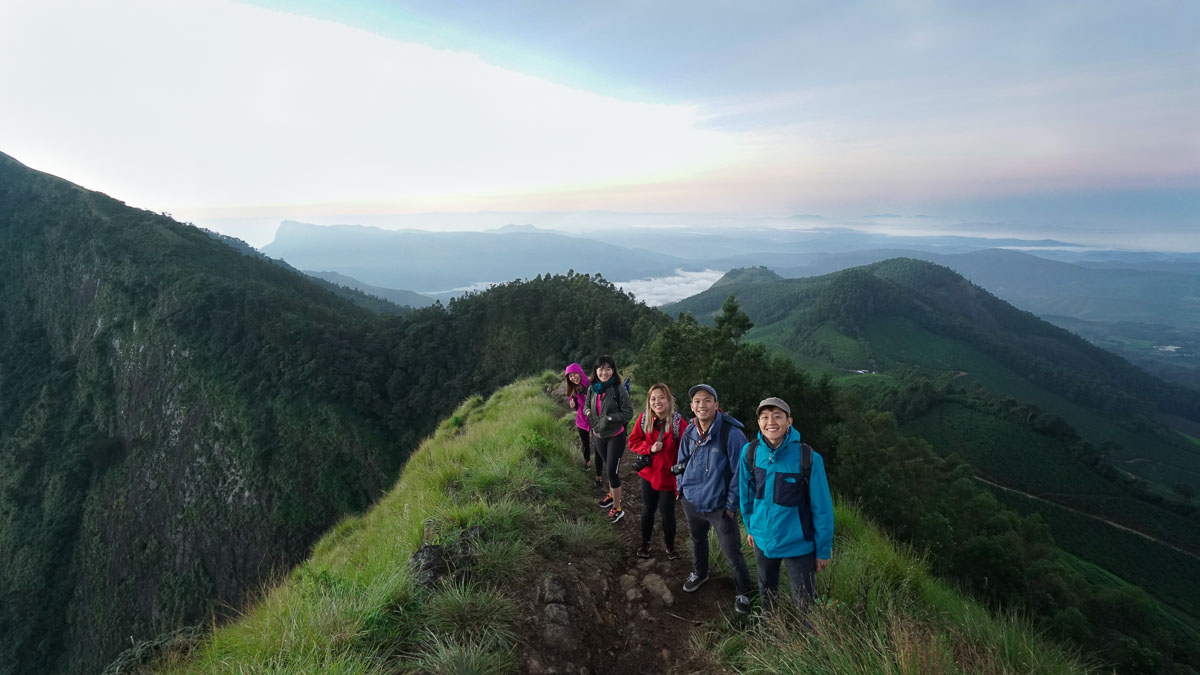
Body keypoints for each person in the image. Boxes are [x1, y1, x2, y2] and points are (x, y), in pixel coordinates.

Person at [739, 397, 834, 614]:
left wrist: (823, 550)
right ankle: (771, 631)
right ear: (759, 423)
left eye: (777, 416)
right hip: (762, 540)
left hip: (798, 544)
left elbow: (822, 509)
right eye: (764, 417)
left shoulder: (808, 458)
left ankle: (807, 644)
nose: (770, 422)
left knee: (805, 602)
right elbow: (746, 495)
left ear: (789, 421)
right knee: (766, 591)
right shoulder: (750, 453)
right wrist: (751, 527)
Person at [675, 384, 753, 614]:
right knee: (697, 540)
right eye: (697, 401)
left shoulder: (731, 433)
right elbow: (681, 461)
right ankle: (701, 573)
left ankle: (743, 593)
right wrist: (681, 489)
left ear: (716, 405)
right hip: (692, 500)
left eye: (707, 400)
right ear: (692, 407)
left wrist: (730, 506)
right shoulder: (690, 431)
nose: (702, 405)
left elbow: (741, 473)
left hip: (720, 507)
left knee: (733, 552)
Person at [627, 383, 688, 559]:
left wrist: (681, 481)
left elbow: (687, 452)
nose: (657, 402)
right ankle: (645, 544)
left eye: (661, 398)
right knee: (648, 509)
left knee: (667, 513)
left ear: (669, 400)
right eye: (653, 399)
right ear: (649, 402)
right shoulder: (644, 419)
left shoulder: (678, 423)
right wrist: (649, 448)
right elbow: (633, 442)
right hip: (649, 474)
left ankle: (670, 547)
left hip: (668, 477)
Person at [585, 355, 634, 524]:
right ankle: (612, 494)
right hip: (598, 435)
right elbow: (585, 406)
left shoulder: (618, 389)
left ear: (613, 370)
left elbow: (628, 413)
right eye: (600, 369)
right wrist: (589, 414)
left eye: (608, 368)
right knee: (609, 468)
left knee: (612, 472)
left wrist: (610, 419)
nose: (604, 372)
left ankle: (618, 507)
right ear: (595, 371)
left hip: (615, 436)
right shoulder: (592, 388)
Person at [564, 363, 598, 483]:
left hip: (594, 418)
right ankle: (587, 462)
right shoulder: (572, 389)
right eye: (570, 376)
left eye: (575, 374)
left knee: (598, 442)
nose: (573, 378)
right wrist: (573, 405)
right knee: (585, 443)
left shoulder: (591, 384)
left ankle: (600, 466)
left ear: (580, 372)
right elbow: (576, 405)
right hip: (581, 420)